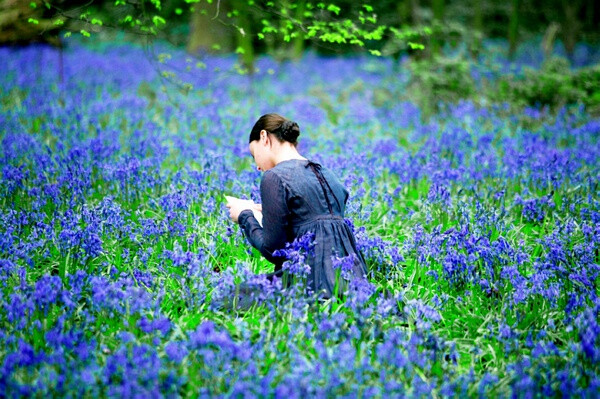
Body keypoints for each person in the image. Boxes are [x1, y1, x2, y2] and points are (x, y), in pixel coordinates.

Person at [226, 113, 368, 298]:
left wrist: (245, 215)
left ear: (264, 137)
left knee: (232, 297)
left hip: (310, 281)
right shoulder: (327, 173)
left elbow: (274, 251)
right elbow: (318, 221)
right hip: (354, 282)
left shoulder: (274, 177)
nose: (257, 166)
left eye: (254, 154)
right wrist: (270, 212)